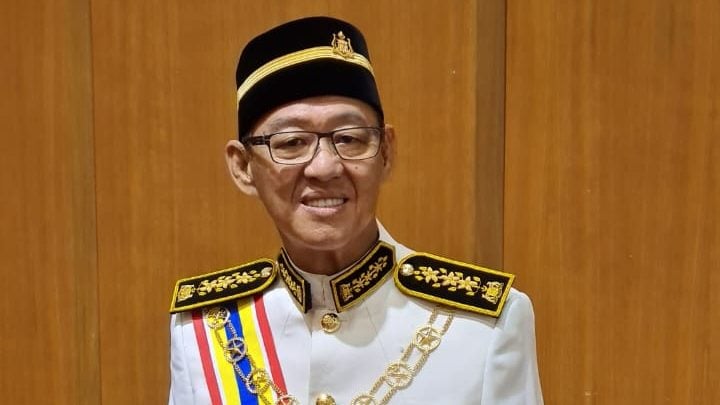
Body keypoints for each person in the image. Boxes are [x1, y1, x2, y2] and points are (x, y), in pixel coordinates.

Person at [168, 16, 543, 405]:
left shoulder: (481, 328)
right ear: (243, 167)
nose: (325, 167)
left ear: (386, 152)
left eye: (349, 138)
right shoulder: (205, 328)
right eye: (291, 142)